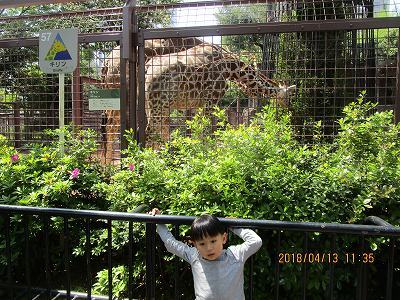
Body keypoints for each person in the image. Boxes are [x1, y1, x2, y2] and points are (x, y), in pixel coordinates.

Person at [148, 208, 262, 300]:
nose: (209, 248)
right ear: (195, 244)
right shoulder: (194, 255)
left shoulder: (235, 255)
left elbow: (256, 242)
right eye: (202, 244)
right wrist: (159, 221)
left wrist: (236, 226)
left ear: (223, 238)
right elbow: (171, 244)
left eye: (213, 241)